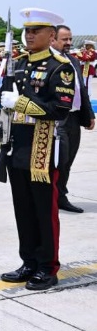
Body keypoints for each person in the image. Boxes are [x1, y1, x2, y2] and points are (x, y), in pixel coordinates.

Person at [0, 8, 75, 291]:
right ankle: (28, 261)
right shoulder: (18, 63)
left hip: (42, 149)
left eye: (36, 31)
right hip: (18, 146)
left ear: (51, 35)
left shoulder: (59, 67)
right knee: (23, 209)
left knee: (44, 210)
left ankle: (47, 266)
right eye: (27, 31)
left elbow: (60, 109)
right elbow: (2, 105)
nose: (29, 35)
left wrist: (19, 103)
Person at [52, 25, 94, 213]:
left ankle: (60, 195)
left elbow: (81, 90)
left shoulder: (73, 60)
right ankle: (52, 197)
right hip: (57, 119)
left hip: (74, 117)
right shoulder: (48, 60)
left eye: (70, 39)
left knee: (69, 160)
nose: (69, 43)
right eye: (65, 40)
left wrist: (89, 114)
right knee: (60, 160)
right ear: (52, 39)